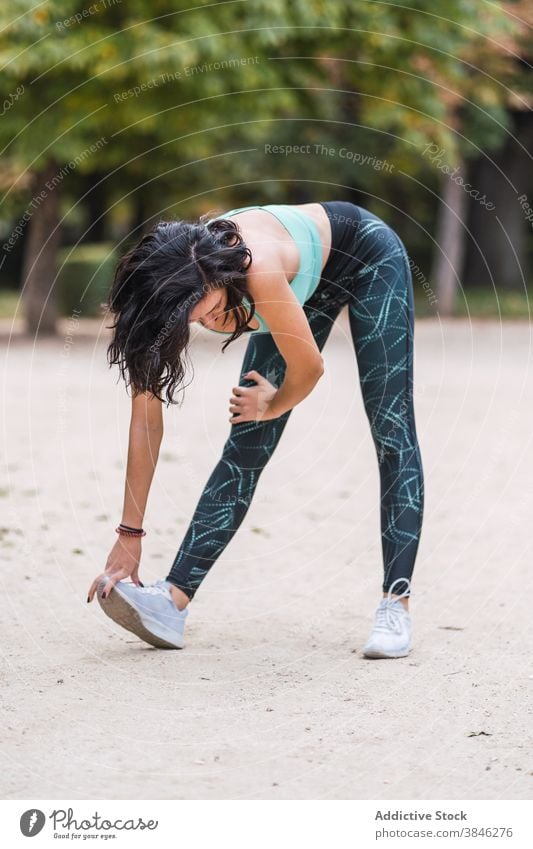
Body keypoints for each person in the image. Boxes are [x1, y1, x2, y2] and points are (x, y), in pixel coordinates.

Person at [87, 200, 424, 659]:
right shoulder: (160, 303)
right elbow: (145, 423)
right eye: (190, 318)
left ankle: (395, 603)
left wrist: (273, 403)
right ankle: (172, 602)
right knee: (244, 441)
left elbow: (309, 368)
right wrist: (130, 534)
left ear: (214, 275)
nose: (204, 323)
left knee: (391, 426)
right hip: (293, 290)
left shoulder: (258, 268)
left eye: (203, 308)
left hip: (365, 257)